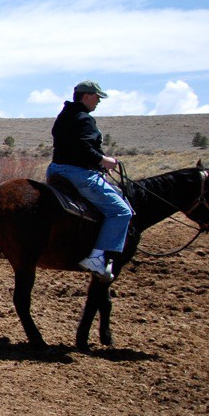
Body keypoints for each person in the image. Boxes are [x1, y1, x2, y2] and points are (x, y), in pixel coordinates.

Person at [47, 80, 132, 282]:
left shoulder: (63, 116)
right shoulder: (85, 119)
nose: (99, 102)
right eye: (97, 97)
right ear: (86, 96)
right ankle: (95, 257)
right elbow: (85, 148)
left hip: (55, 170)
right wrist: (105, 161)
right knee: (122, 211)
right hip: (79, 175)